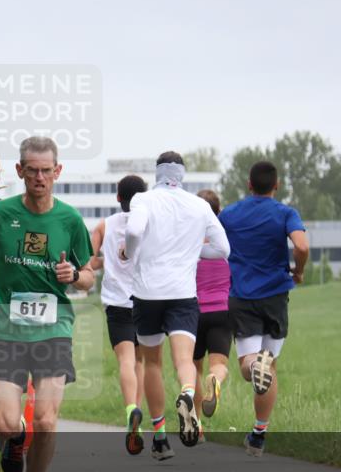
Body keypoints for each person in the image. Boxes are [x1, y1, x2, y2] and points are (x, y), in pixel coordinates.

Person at [0, 136, 95, 472]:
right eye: (32, 170)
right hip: (6, 329)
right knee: (7, 423)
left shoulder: (70, 220)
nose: (39, 177)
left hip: (53, 328)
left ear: (57, 172)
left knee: (46, 420)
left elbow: (89, 276)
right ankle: (10, 443)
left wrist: (74, 275)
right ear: (19, 171)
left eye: (46, 170)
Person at [123, 152, 230, 449]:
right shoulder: (200, 205)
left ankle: (159, 435)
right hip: (183, 293)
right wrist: (194, 251)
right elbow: (223, 249)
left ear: (157, 172)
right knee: (184, 360)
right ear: (182, 173)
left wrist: (131, 252)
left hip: (147, 293)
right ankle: (187, 392)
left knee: (152, 363)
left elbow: (134, 230)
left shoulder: (143, 199)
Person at [219, 160, 308, 456]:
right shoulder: (286, 213)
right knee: (269, 365)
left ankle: (255, 366)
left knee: (249, 365)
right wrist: (299, 270)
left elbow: (208, 242)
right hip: (275, 296)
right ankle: (258, 436)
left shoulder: (229, 214)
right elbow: (302, 246)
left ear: (249, 184)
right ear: (276, 185)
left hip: (241, 295)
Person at [90, 174, 165, 457]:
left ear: (118, 197)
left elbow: (88, 261)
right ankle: (141, 416)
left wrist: (107, 261)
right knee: (143, 362)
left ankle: (131, 409)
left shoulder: (104, 225)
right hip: (146, 300)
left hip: (117, 303)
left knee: (126, 360)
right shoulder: (151, 223)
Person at [193, 191, 234, 425]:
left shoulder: (188, 248)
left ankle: (196, 424)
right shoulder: (225, 248)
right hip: (222, 312)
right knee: (218, 366)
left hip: (194, 314)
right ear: (218, 213)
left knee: (193, 370)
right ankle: (215, 380)